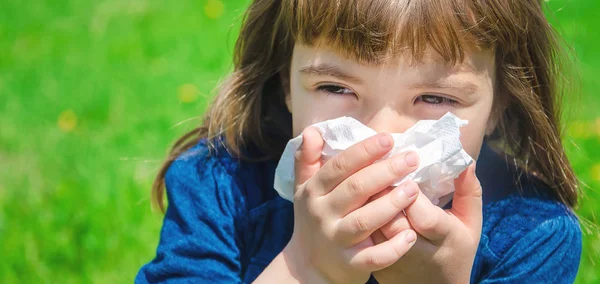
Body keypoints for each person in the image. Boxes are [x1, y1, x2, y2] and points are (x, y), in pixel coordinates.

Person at [136, 0, 582, 283]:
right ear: (287, 83)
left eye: (434, 97)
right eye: (335, 87)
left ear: (499, 104)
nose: (383, 134)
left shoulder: (535, 237)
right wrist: (307, 269)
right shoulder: (218, 189)